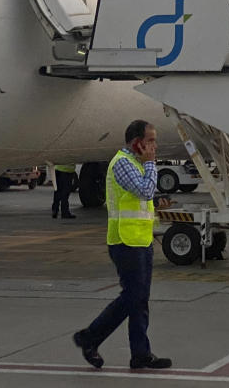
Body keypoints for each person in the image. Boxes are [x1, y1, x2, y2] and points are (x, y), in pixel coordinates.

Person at [73, 120, 172, 370]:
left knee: (140, 299)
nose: (154, 146)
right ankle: (90, 337)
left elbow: (143, 198)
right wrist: (150, 165)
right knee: (133, 297)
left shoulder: (136, 164)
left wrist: (157, 202)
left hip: (141, 240)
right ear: (136, 142)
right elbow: (144, 192)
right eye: (150, 140)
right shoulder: (124, 163)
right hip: (125, 242)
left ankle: (140, 354)